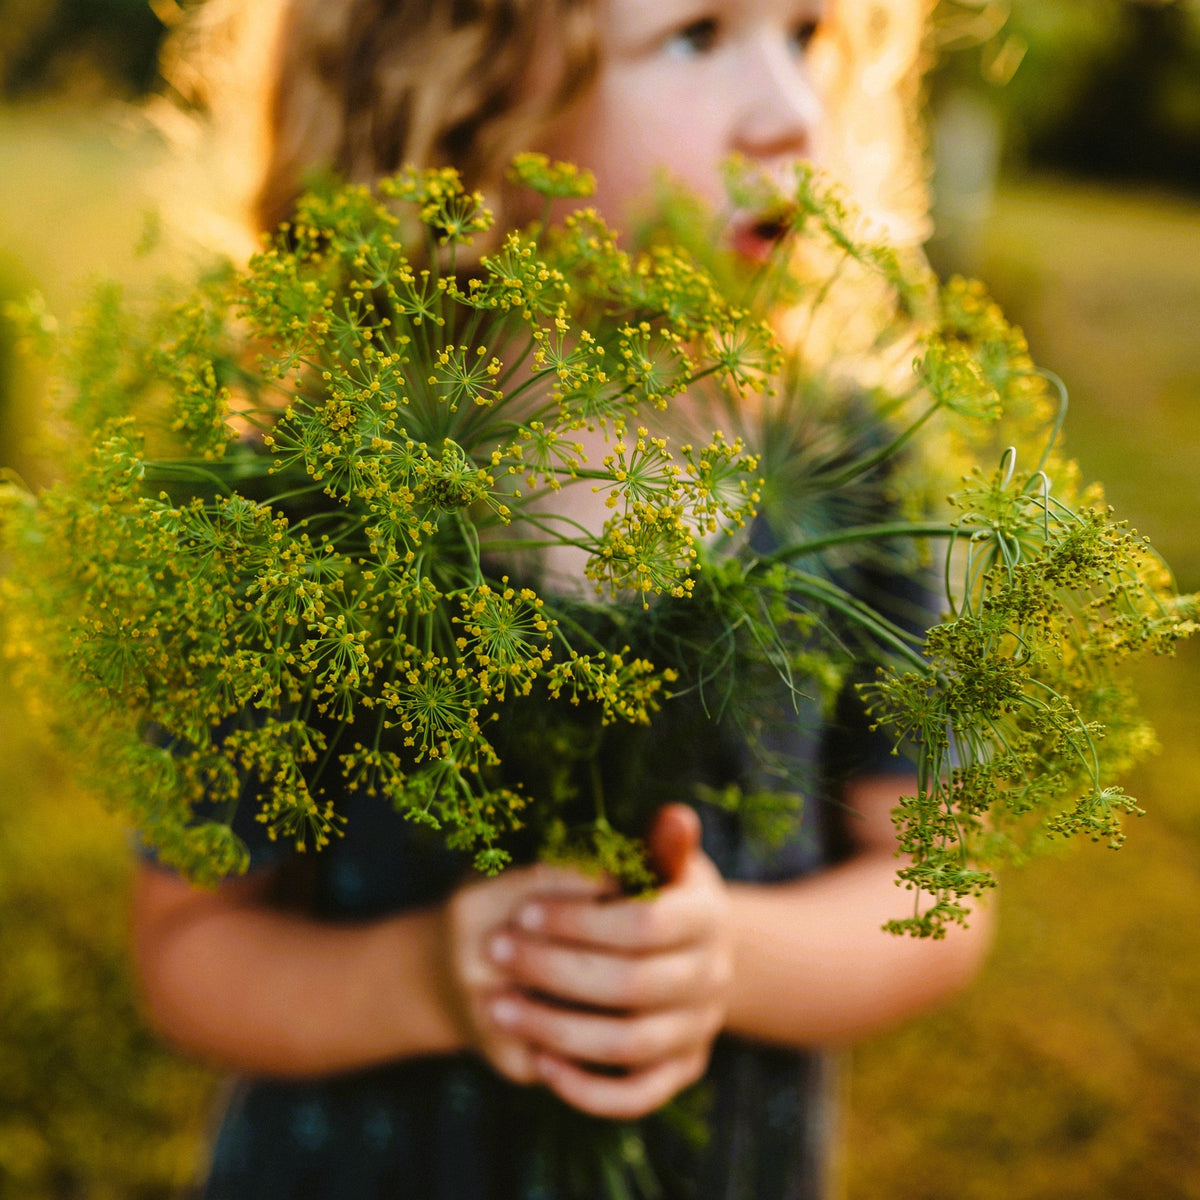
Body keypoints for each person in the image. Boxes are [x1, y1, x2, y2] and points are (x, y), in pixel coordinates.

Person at [133, 2, 994, 1197]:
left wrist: (723, 959)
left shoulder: (852, 468)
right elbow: (187, 946)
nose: (794, 114)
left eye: (804, 34)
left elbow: (939, 897)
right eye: (696, 35)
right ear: (465, 89)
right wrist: (430, 982)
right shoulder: (301, 497)